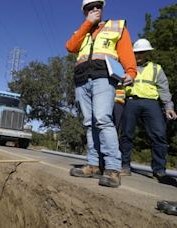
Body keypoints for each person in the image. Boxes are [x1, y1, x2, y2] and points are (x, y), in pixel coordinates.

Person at [66, 0, 137, 188]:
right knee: (89, 124)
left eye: (98, 6)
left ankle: (113, 168)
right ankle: (93, 164)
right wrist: (87, 24)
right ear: (85, 12)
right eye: (90, 7)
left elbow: (126, 51)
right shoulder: (81, 31)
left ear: (103, 9)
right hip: (82, 80)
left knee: (103, 119)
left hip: (104, 78)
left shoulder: (116, 27)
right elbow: (71, 47)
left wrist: (131, 71)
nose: (95, 9)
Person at [120, 39, 177, 178]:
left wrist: (169, 107)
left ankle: (159, 170)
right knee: (126, 134)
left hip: (151, 103)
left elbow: (164, 89)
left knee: (159, 135)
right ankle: (124, 165)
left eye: (141, 52)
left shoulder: (156, 68)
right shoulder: (126, 67)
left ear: (148, 53)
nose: (138, 55)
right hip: (131, 102)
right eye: (135, 52)